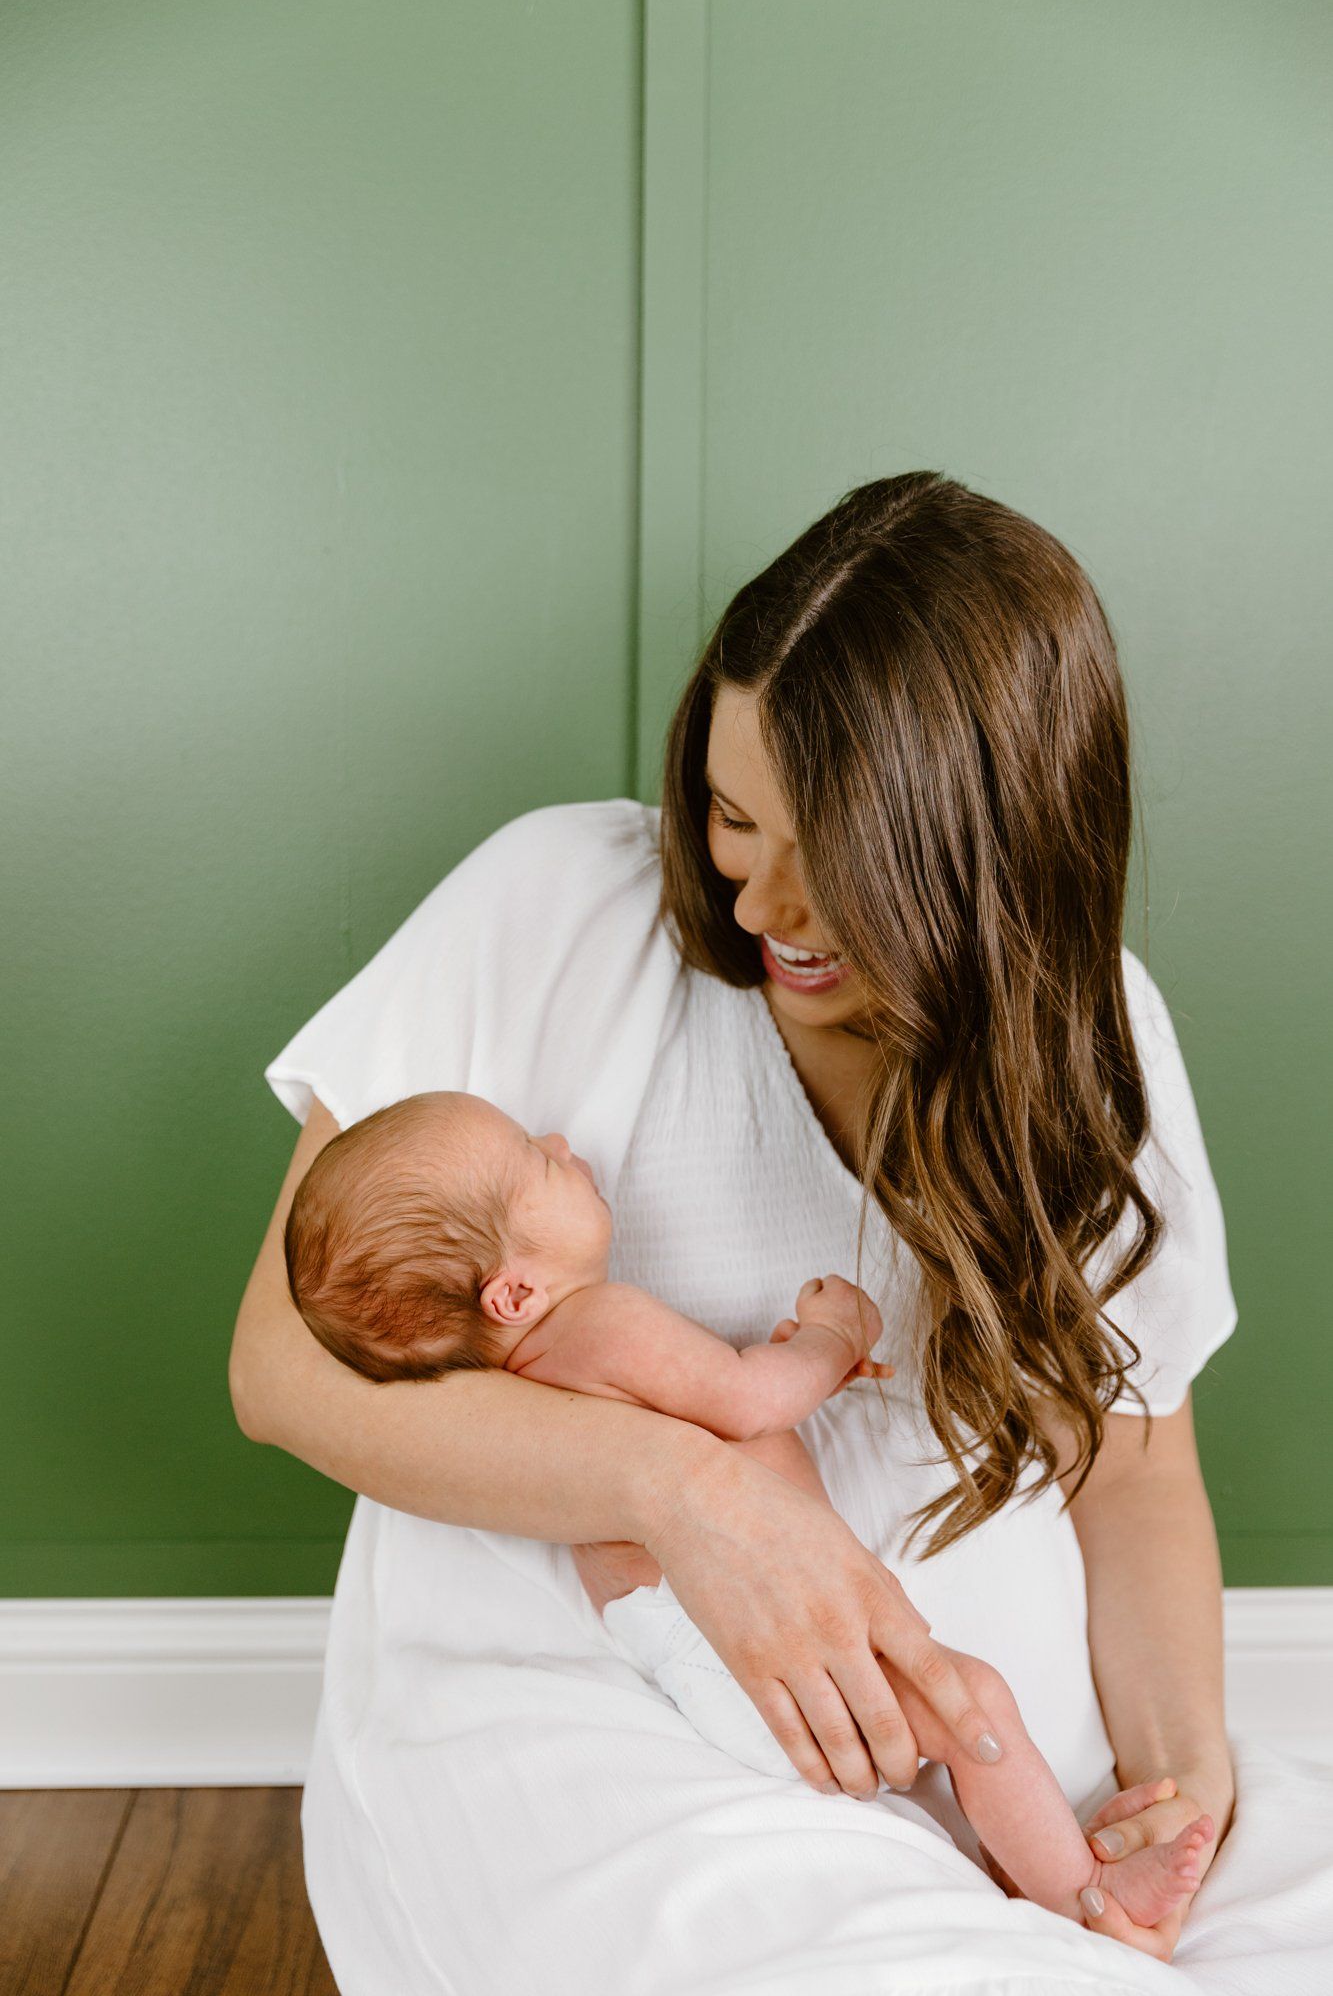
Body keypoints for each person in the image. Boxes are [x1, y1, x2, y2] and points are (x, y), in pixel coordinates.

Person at [231, 472, 1333, 1994]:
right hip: (623, 1711)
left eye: (843, 856)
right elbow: (283, 1374)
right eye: (734, 814)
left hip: (990, 1749)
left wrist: (1184, 1775)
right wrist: (688, 1496)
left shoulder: (1096, 1041)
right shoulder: (556, 905)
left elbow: (1133, 1467)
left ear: (990, 858)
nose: (765, 898)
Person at [281, 1085, 1218, 1931]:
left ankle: (1014, 1868)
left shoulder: (540, 1381)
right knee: (973, 1704)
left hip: (694, 1658)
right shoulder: (598, 1324)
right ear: (514, 1289)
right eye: (536, 1157)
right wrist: (827, 1337)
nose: (563, 1140)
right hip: (736, 1647)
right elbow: (745, 1399)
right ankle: (1083, 1902)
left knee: (948, 1731)